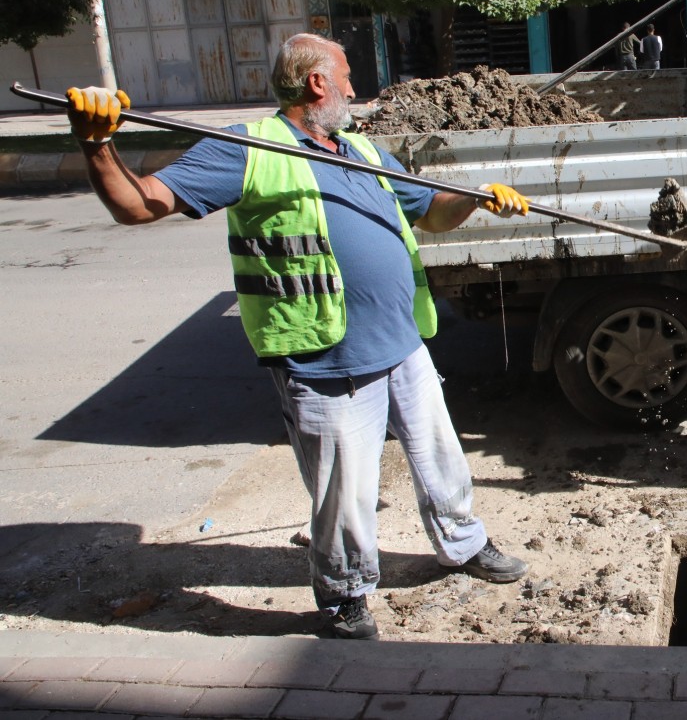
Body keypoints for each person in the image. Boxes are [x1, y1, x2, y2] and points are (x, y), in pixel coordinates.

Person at [64, 33, 532, 640]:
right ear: (317, 83)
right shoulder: (247, 149)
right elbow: (138, 204)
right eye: (347, 77)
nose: (354, 89)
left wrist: (479, 201)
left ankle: (463, 544)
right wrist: (97, 143)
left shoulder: (361, 149)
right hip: (325, 357)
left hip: (402, 342)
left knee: (442, 460)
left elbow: (433, 212)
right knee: (344, 493)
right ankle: (344, 595)